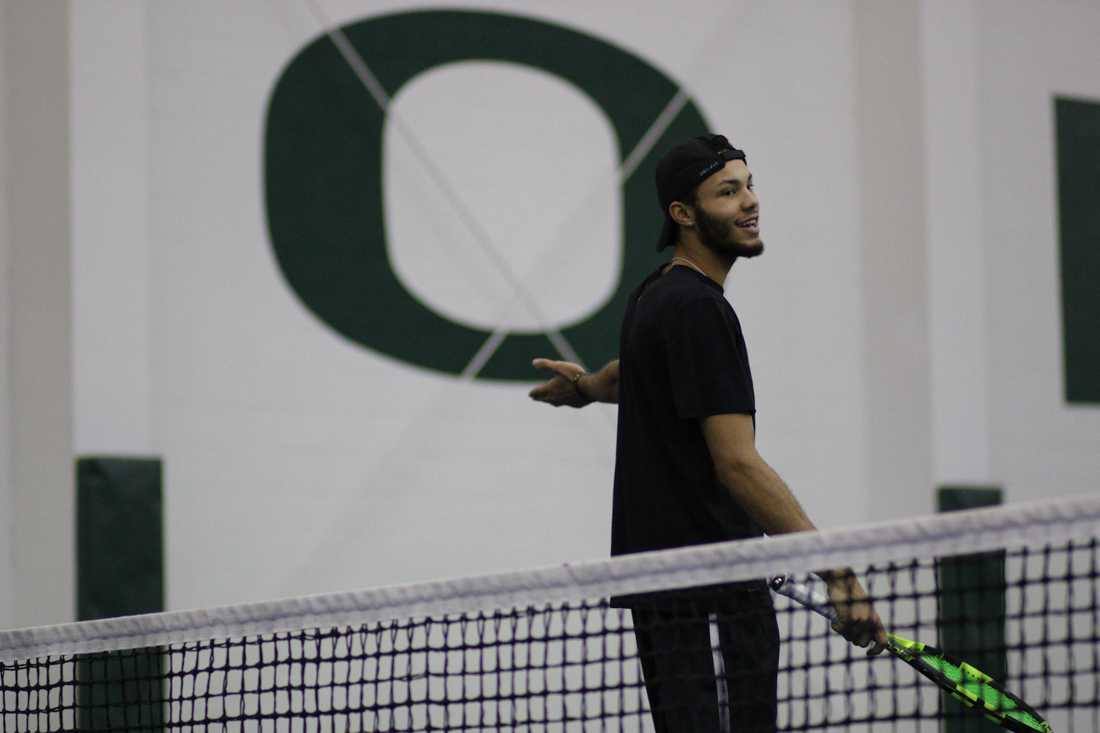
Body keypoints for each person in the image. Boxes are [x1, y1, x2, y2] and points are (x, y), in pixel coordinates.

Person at [529, 134, 887, 732]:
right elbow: (737, 464)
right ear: (684, 214)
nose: (749, 202)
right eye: (728, 191)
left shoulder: (658, 293)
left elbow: (642, 374)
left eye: (749, 184)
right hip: (713, 590)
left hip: (666, 588)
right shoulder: (699, 309)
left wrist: (589, 388)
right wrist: (838, 573)